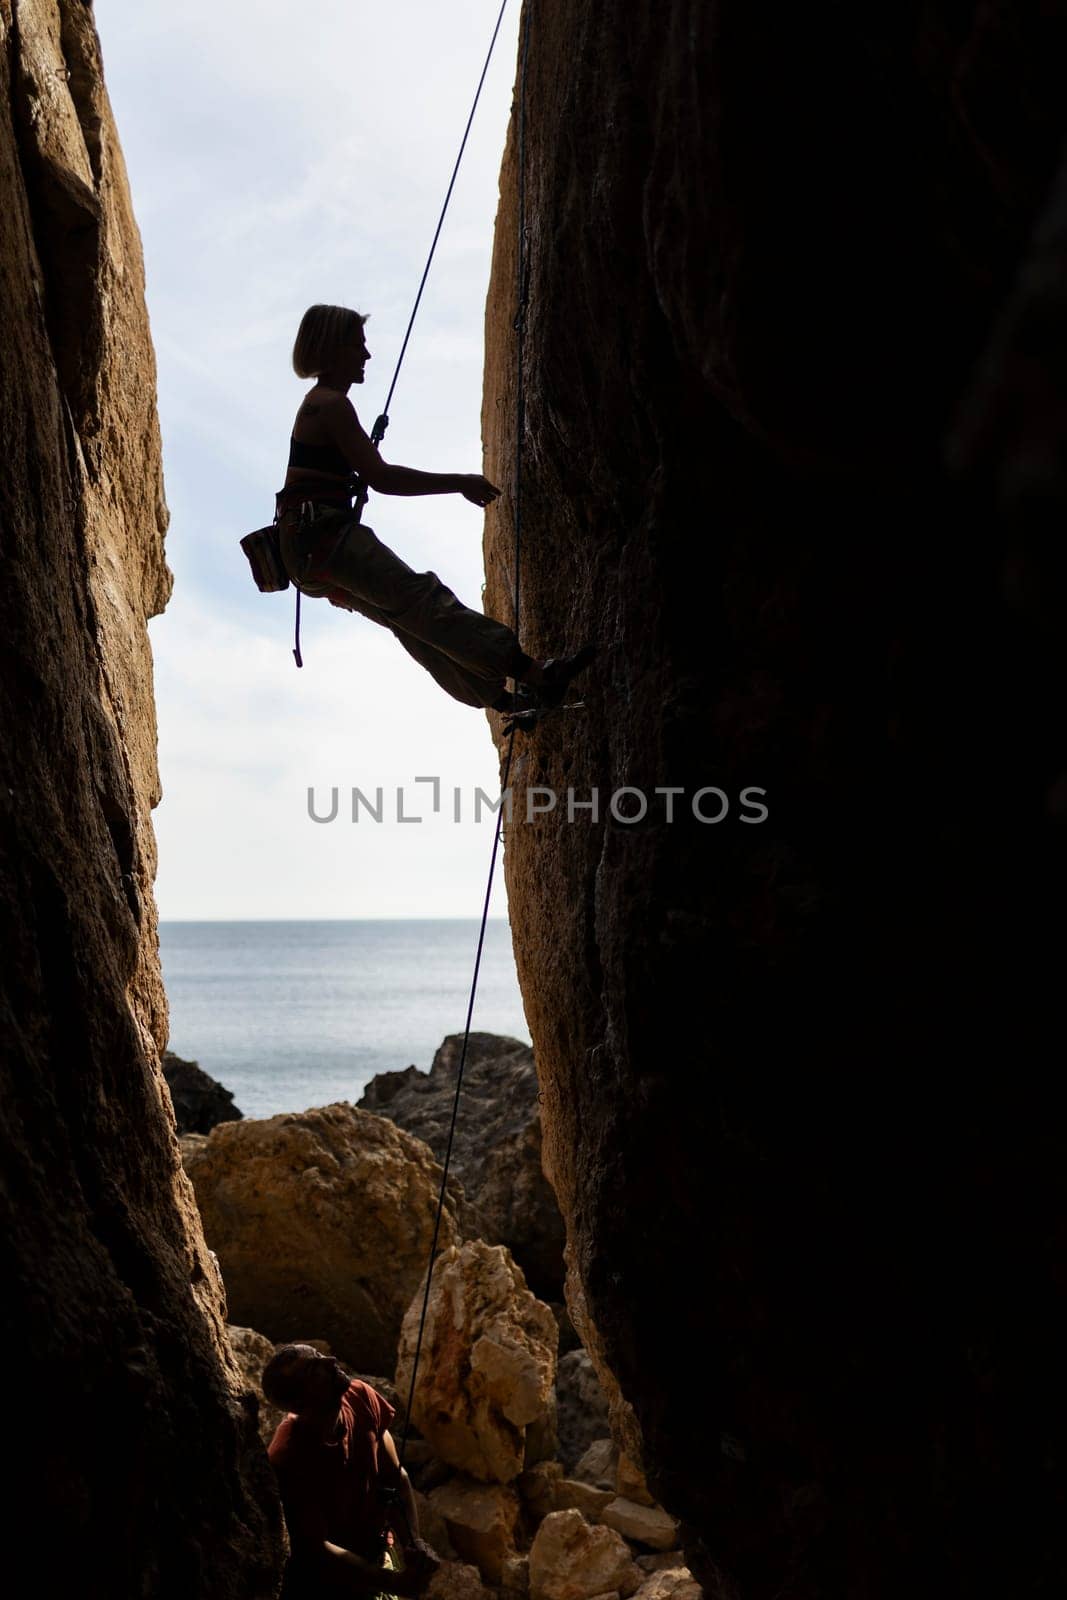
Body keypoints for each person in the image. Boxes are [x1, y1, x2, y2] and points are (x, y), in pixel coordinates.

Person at [275, 303, 594, 712]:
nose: (366, 356)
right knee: (422, 600)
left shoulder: (318, 404)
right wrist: (458, 483)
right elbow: (384, 479)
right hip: (323, 540)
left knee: (409, 621)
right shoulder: (330, 405)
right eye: (358, 346)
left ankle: (507, 701)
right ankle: (539, 674)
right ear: (335, 349)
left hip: (305, 551)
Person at [263, 1343, 439, 1598]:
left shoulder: (360, 1397)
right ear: (302, 1402)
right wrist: (394, 1583)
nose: (331, 1360)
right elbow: (315, 1549)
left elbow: (395, 1478)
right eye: (315, 1369)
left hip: (375, 1555)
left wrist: (414, 1544)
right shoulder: (291, 1456)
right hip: (327, 1584)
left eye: (320, 1355)